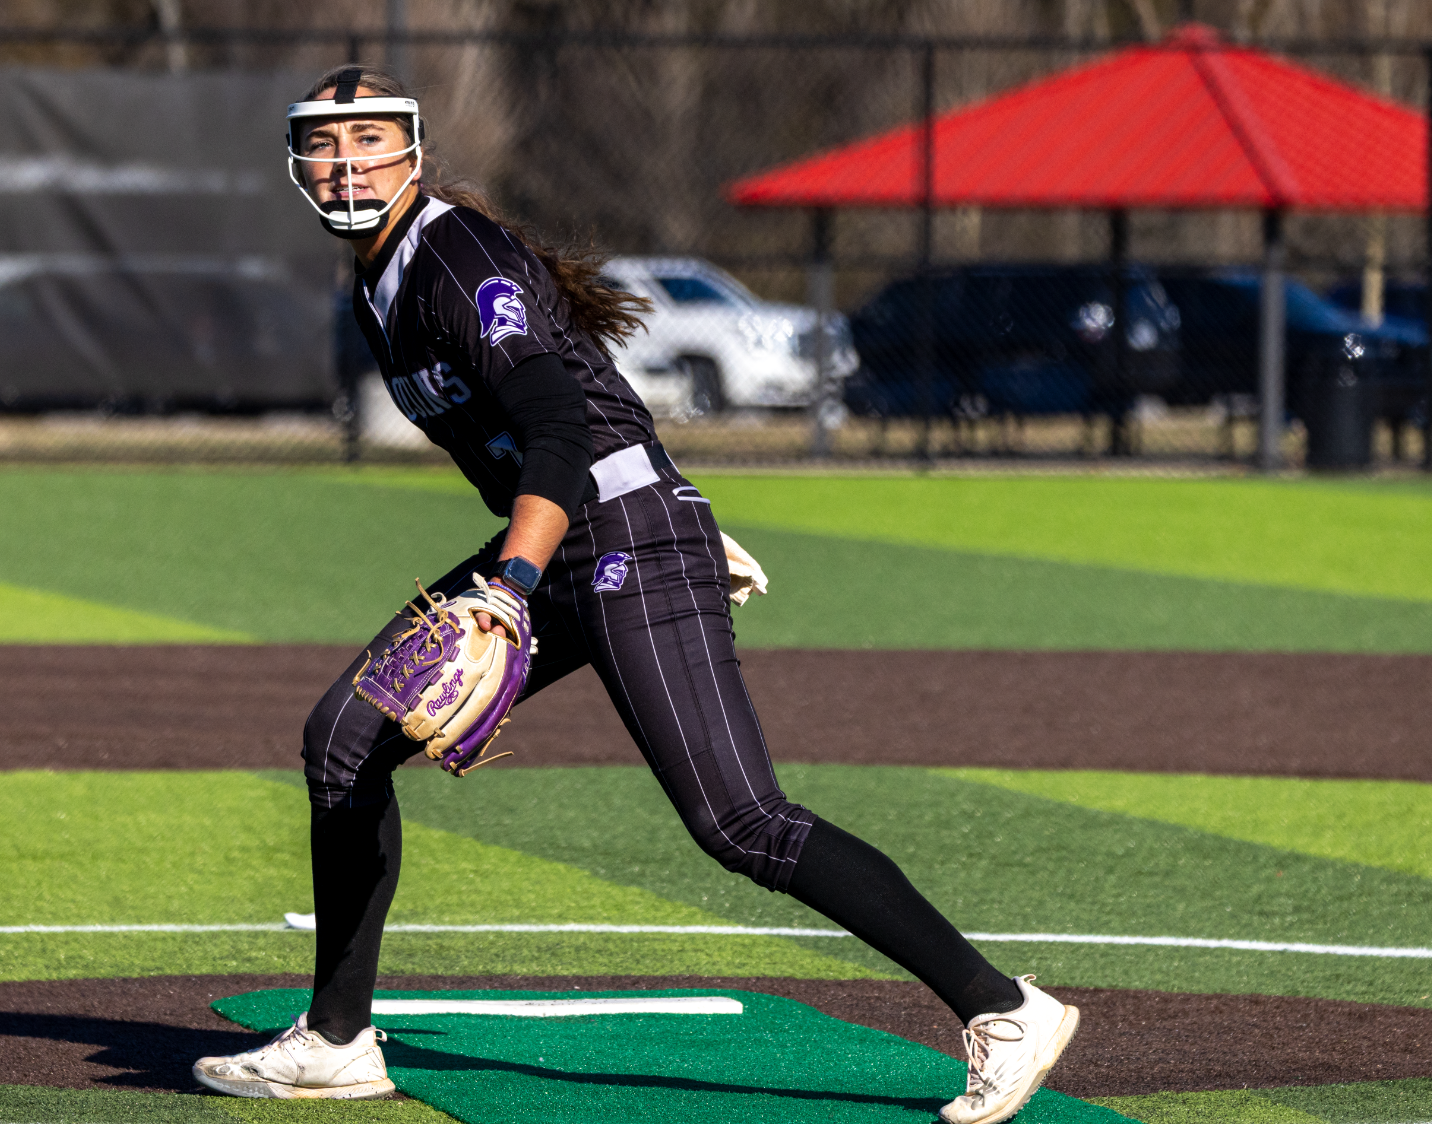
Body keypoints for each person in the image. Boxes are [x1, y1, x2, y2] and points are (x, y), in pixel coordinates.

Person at [190, 64, 1079, 1124]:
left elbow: (562, 425)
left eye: (369, 138)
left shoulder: (449, 253)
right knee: (343, 737)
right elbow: (576, 413)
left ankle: (1003, 1006)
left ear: (411, 150)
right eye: (325, 143)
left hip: (608, 539)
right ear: (296, 163)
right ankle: (336, 1039)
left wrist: (518, 582)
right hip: (588, 528)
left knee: (740, 820)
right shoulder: (380, 277)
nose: (347, 160)